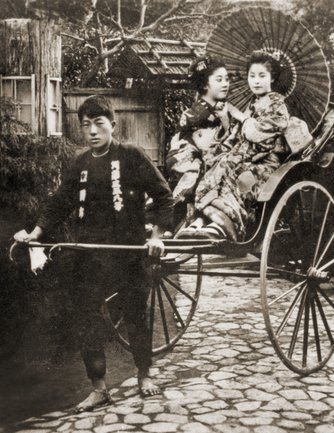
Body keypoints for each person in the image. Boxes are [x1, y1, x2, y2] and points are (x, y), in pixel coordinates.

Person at [13, 95, 174, 411]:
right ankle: (99, 387)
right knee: (85, 316)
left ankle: (145, 374)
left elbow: (164, 198)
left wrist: (157, 236)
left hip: (128, 252)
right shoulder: (81, 164)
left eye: (99, 123)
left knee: (135, 315)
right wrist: (36, 234)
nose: (92, 131)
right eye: (85, 125)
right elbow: (58, 204)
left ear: (113, 125)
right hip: (90, 255)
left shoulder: (131, 156)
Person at [193, 50, 312, 241]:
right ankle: (205, 221)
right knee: (212, 169)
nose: (256, 81)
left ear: (272, 78)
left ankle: (226, 223)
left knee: (235, 175)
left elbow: (261, 137)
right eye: (252, 76)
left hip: (267, 163)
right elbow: (236, 136)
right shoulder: (252, 103)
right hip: (246, 156)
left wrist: (243, 119)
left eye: (262, 76)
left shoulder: (277, 104)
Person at [166, 55, 239, 235]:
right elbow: (195, 143)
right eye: (219, 79)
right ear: (205, 85)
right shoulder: (195, 113)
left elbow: (230, 139)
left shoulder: (226, 110)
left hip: (214, 158)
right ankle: (175, 226)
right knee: (194, 180)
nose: (225, 84)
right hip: (190, 157)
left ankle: (207, 222)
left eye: (227, 79)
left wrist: (225, 121)